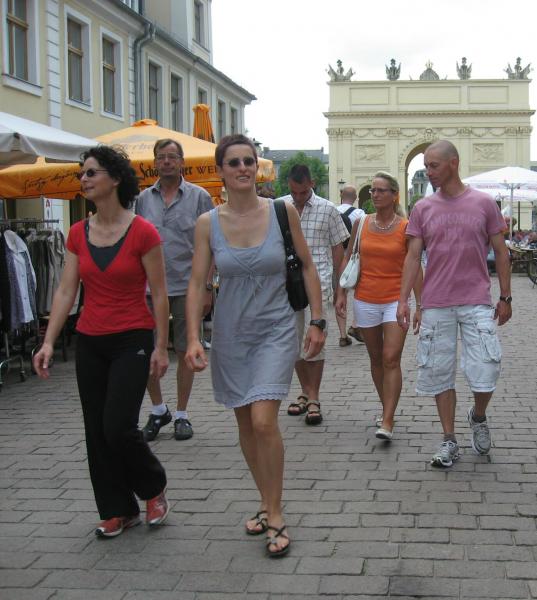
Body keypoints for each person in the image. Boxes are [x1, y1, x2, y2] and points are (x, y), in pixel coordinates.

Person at [183, 134, 325, 557]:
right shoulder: (208, 223)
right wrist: (192, 337)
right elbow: (197, 283)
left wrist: (318, 321)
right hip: (231, 334)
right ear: (221, 171)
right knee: (245, 424)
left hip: (276, 329)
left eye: (248, 161)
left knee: (264, 421)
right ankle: (265, 500)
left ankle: (276, 513)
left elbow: (308, 266)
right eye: (234, 162)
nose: (243, 168)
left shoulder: (281, 211)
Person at [33, 146, 171, 537]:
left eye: (91, 172)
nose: (84, 179)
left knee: (118, 426)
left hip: (132, 339)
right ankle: (117, 509)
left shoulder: (143, 232)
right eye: (82, 173)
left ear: (115, 178)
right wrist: (48, 342)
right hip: (91, 341)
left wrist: (161, 347)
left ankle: (153, 486)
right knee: (95, 430)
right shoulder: (78, 233)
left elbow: (160, 293)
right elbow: (66, 290)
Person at [397, 140, 512, 468]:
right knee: (438, 372)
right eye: (425, 166)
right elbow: (413, 257)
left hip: (476, 299)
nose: (428, 172)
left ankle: (478, 415)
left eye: (433, 165)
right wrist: (404, 300)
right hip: (436, 302)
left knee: (487, 368)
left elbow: (501, 252)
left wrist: (505, 297)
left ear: (453, 163)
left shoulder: (484, 203)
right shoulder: (423, 208)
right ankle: (449, 439)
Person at [135, 138, 214, 442]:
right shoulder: (143, 199)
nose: (166, 161)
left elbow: (211, 244)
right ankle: (158, 410)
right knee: (144, 350)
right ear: (154, 162)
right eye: (161, 157)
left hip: (187, 286)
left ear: (182, 162)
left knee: (184, 350)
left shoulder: (199, 197)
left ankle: (181, 413)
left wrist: (207, 286)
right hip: (147, 288)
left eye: (172, 157)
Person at [335, 171, 422, 441]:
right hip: (365, 299)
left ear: (394, 195)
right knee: (375, 358)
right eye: (372, 190)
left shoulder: (406, 227)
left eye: (381, 190)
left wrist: (420, 304)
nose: (374, 194)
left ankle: (387, 419)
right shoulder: (361, 222)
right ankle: (387, 407)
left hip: (396, 300)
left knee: (390, 358)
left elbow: (415, 265)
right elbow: (348, 256)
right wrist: (341, 293)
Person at [278, 164, 349, 424]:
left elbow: (338, 251)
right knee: (294, 342)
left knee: (315, 341)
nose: (298, 197)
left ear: (312, 183)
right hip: (288, 284)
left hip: (319, 284)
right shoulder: (279, 207)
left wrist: (340, 289)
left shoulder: (328, 209)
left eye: (303, 192)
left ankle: (314, 396)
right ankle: (305, 392)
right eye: (294, 192)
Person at [335, 184, 365, 346]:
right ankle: (355, 324)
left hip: (335, 257)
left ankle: (342, 335)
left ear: (341, 195)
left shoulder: (332, 210)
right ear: (355, 198)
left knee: (340, 294)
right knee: (359, 293)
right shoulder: (360, 214)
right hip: (354, 259)